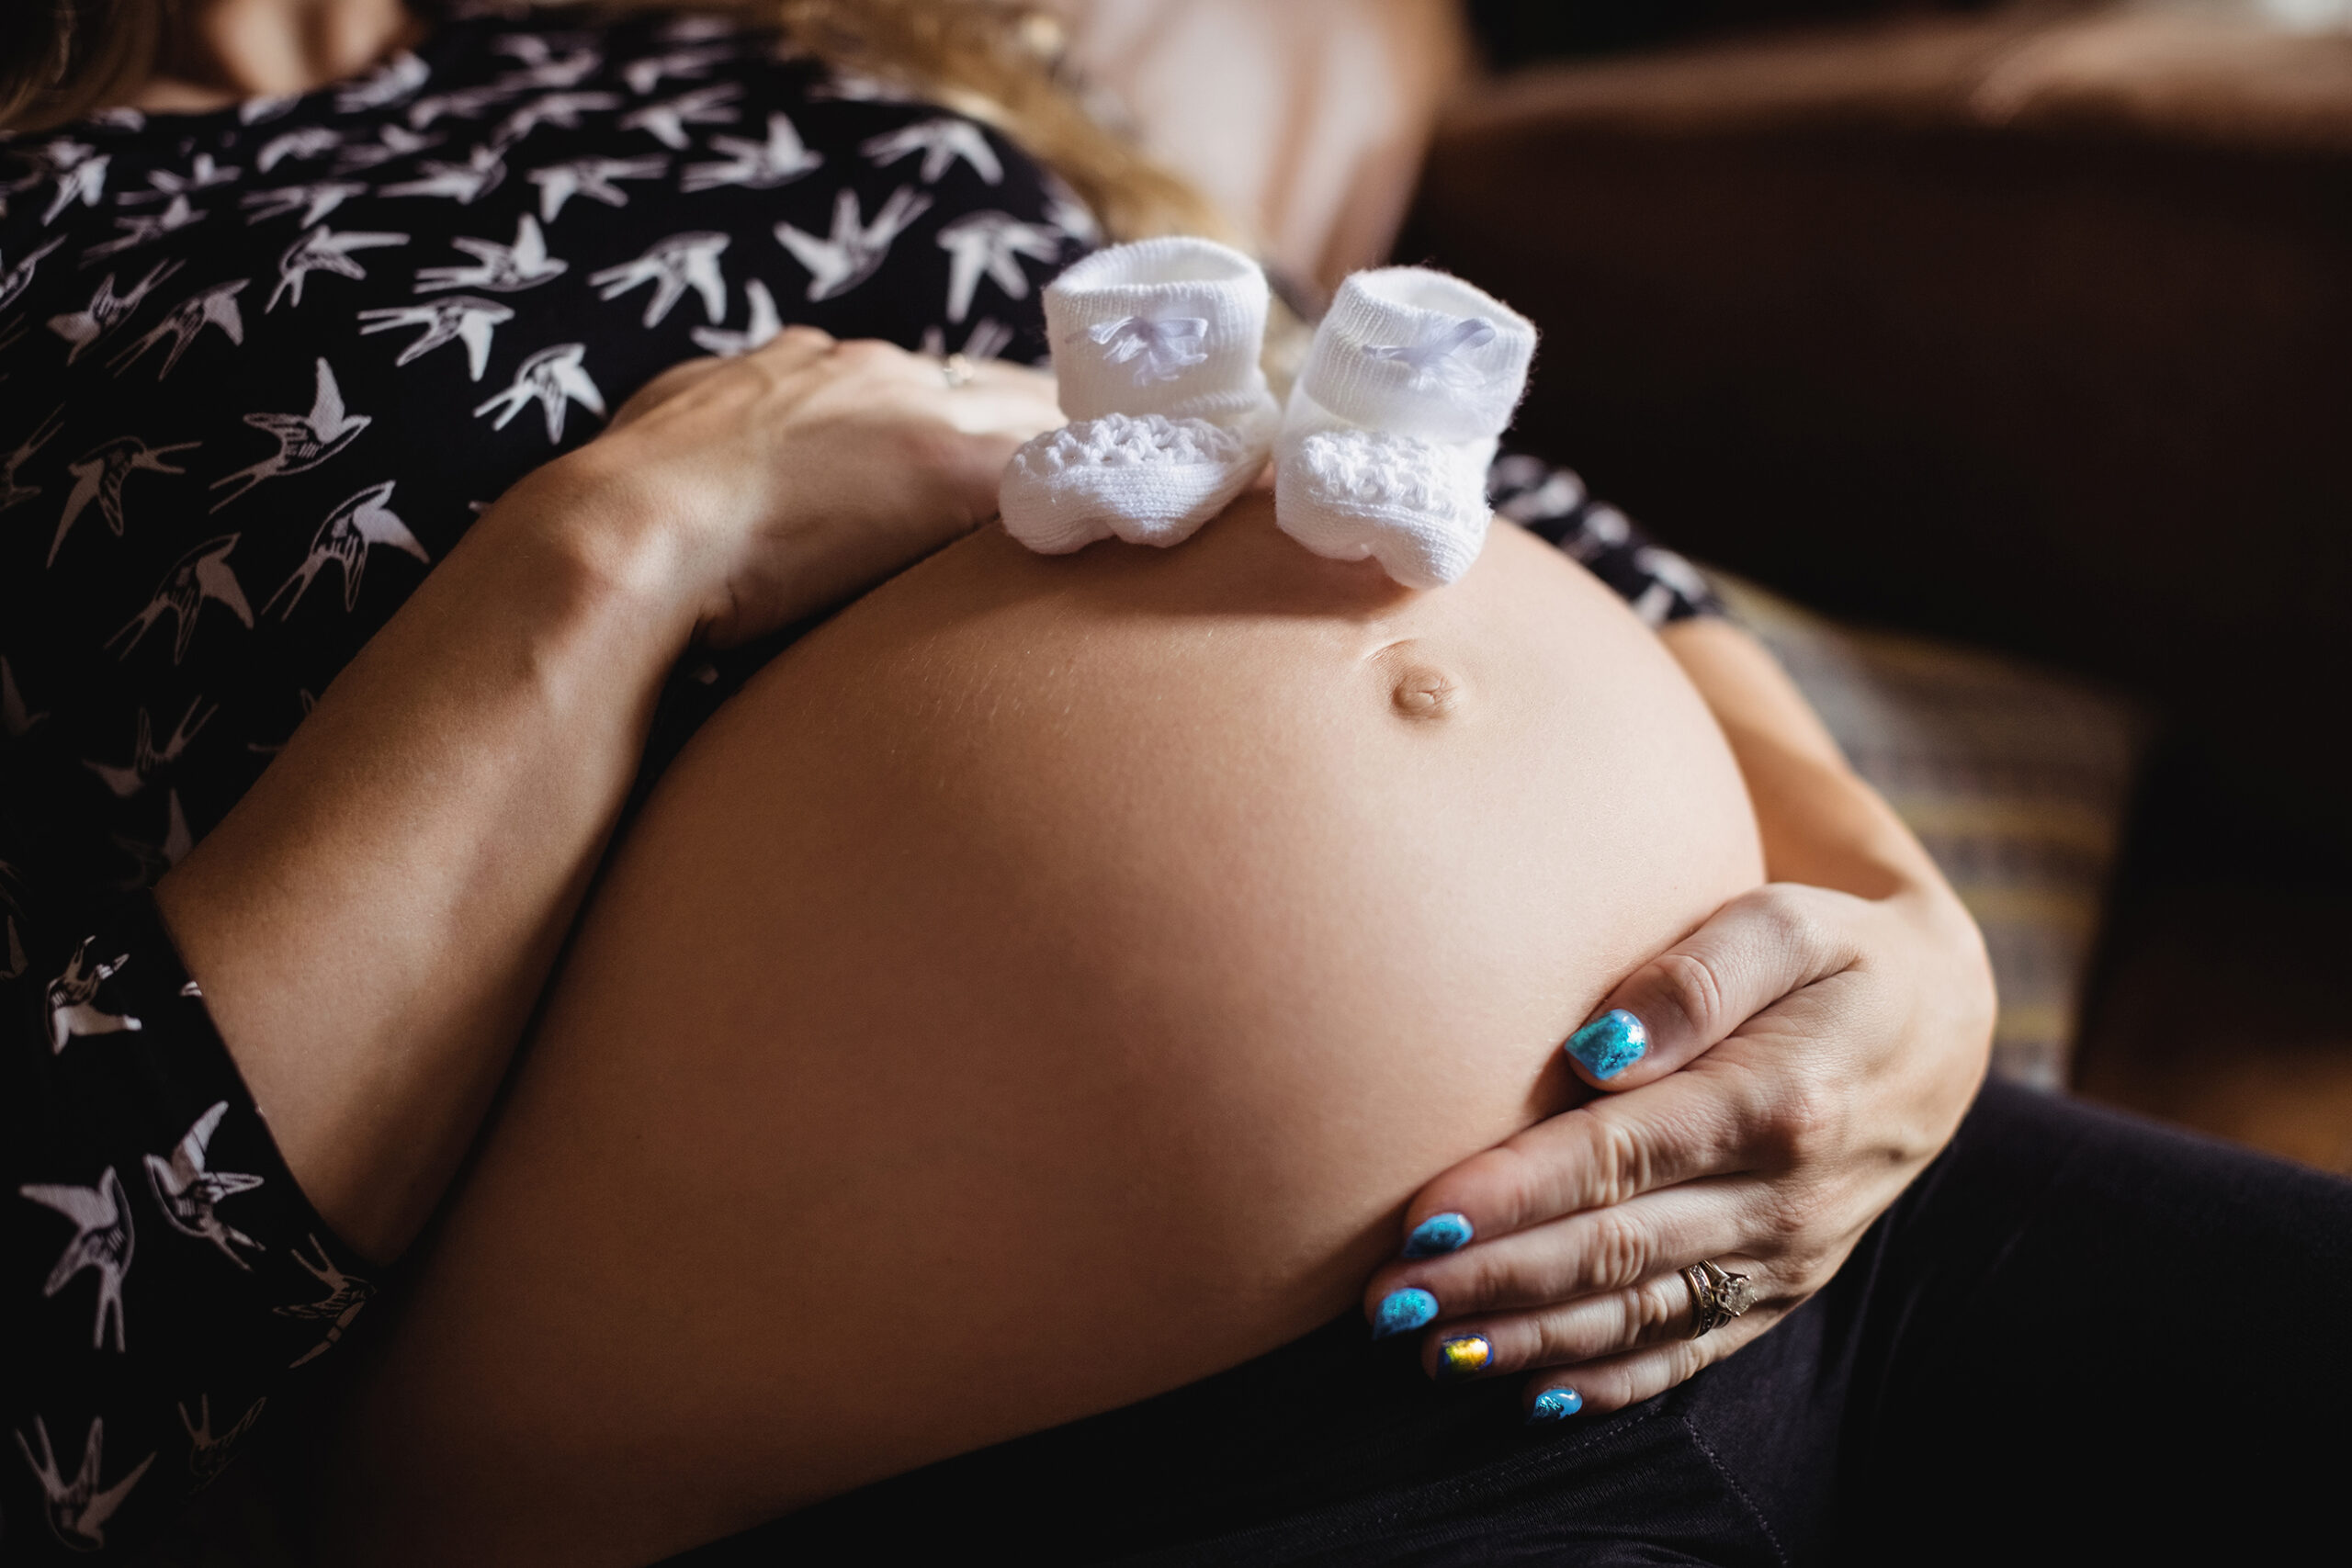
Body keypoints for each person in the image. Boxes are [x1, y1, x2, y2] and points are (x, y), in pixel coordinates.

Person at [0, 3, 2344, 1564]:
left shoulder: (742, 51)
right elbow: (75, 1328)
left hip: (1809, 1204)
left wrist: (1900, 932)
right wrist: (630, 540)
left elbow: (1484, 486)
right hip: (1126, 1456)